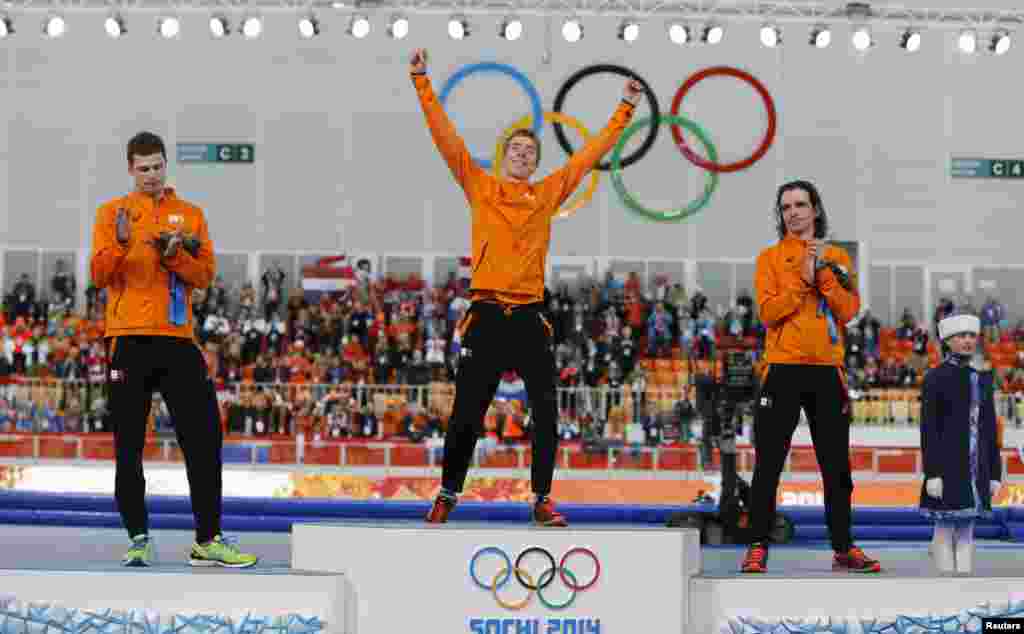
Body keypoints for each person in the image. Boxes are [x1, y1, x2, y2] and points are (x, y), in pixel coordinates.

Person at [409, 49, 640, 526]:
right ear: (503, 155)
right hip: (488, 314)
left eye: (530, 151)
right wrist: (421, 81)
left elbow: (590, 155)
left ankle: (542, 498)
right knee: (466, 414)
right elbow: (443, 136)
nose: (523, 153)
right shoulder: (480, 186)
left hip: (532, 315)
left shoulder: (548, 192)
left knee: (548, 413)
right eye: (516, 148)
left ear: (536, 162)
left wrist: (625, 110)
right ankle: (448, 493)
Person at [90, 131, 257, 568]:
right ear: (130, 169)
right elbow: (98, 275)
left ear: (166, 165)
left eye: (157, 166)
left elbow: (204, 275)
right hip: (126, 338)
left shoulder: (191, 214)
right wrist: (123, 244)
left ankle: (208, 538)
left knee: (204, 438)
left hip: (178, 340)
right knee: (128, 443)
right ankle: (138, 537)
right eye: (142, 168)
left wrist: (173, 257)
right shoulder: (111, 213)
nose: (150, 175)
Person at [741, 180, 881, 573]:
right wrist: (802, 280)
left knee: (836, 466)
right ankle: (756, 544)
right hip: (782, 369)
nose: (794, 212)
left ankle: (843, 547)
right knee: (768, 463)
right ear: (781, 214)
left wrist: (822, 277)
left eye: (801, 204)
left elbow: (848, 309)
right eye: (786, 207)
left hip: (826, 372)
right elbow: (768, 314)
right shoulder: (768, 259)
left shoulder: (837, 257)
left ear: (815, 210)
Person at [920, 313, 1002, 575]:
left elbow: (990, 429)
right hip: (947, 467)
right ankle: (946, 588)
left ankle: (965, 588)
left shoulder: (982, 379)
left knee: (967, 532)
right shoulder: (935, 378)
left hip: (977, 469)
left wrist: (995, 473)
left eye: (971, 336)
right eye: (960, 336)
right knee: (944, 530)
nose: (967, 341)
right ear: (947, 341)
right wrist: (932, 473)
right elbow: (929, 429)